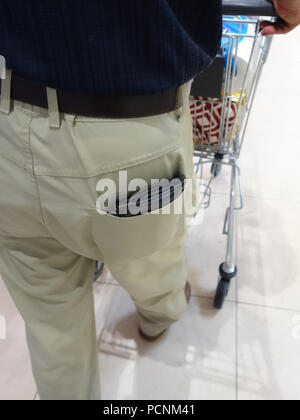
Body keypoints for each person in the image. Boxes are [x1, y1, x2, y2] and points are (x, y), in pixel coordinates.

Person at [0, 0, 299, 401]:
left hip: (8, 129)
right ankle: (159, 317)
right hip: (132, 128)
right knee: (151, 263)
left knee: (51, 327)